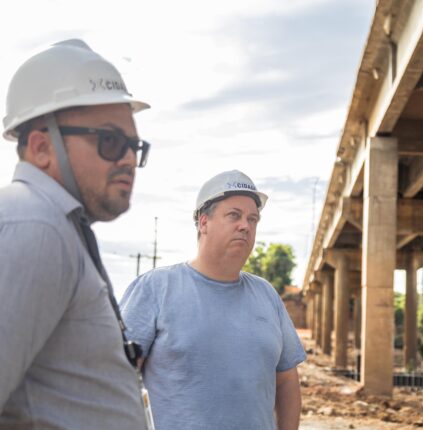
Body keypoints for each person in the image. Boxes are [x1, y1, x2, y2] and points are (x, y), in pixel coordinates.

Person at [0, 39, 153, 429]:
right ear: (41, 147)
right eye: (110, 141)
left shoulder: (60, 226)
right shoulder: (35, 226)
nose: (128, 160)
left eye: (134, 146)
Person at [120, 170, 306, 430]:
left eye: (253, 219)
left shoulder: (266, 295)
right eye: (234, 215)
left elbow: (286, 380)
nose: (246, 225)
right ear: (203, 222)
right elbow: (114, 380)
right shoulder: (155, 289)